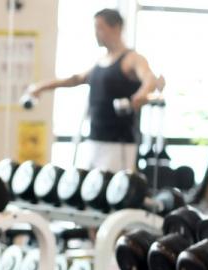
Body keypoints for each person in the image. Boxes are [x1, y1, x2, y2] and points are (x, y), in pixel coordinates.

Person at [25, 8, 159, 171]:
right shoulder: (101, 61)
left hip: (119, 144)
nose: (96, 33)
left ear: (116, 28)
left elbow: (149, 78)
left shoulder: (132, 59)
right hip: (94, 139)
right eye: (95, 28)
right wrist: (41, 87)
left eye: (100, 28)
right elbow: (75, 79)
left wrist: (141, 94)